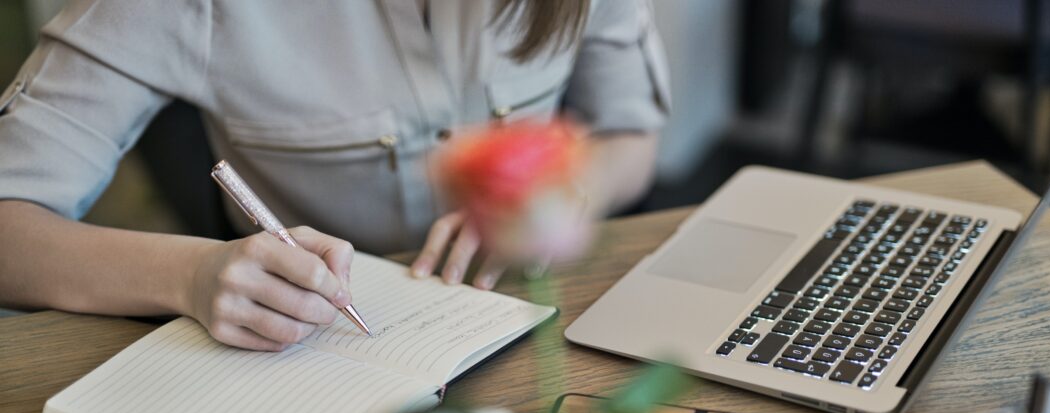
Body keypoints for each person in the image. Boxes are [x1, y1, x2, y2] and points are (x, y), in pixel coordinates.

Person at [0, 0, 669, 350]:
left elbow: (632, 136)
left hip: (534, 327)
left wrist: (567, 196)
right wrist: (191, 275)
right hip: (308, 349)